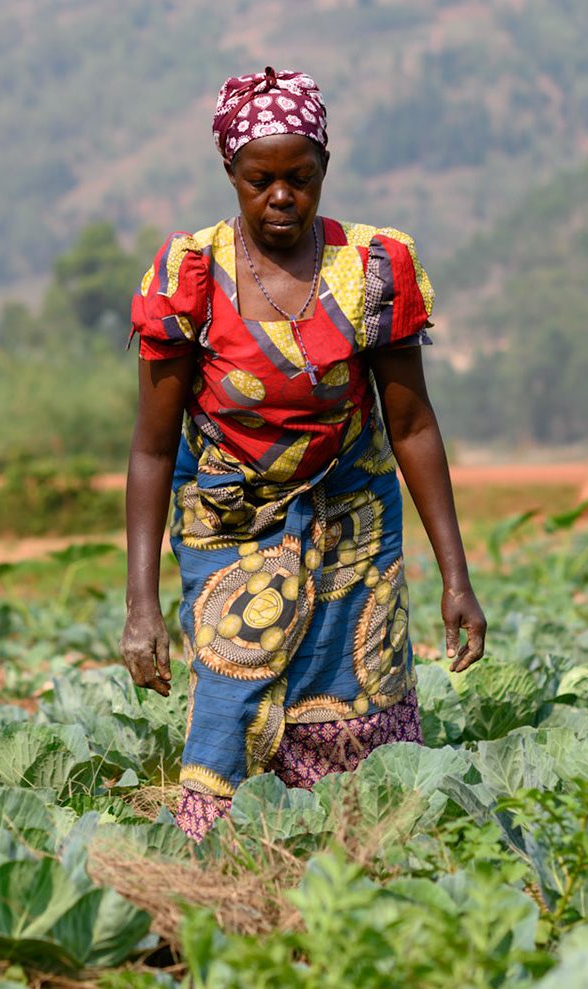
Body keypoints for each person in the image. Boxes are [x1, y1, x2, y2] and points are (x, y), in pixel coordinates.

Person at [123, 66, 488, 841]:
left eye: (301, 177)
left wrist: (457, 577)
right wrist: (141, 604)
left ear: (325, 170)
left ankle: (360, 858)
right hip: (229, 516)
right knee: (230, 688)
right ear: (231, 173)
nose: (281, 197)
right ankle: (224, 864)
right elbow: (153, 450)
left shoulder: (370, 270)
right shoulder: (190, 277)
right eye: (260, 180)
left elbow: (413, 427)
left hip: (353, 513)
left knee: (358, 704)